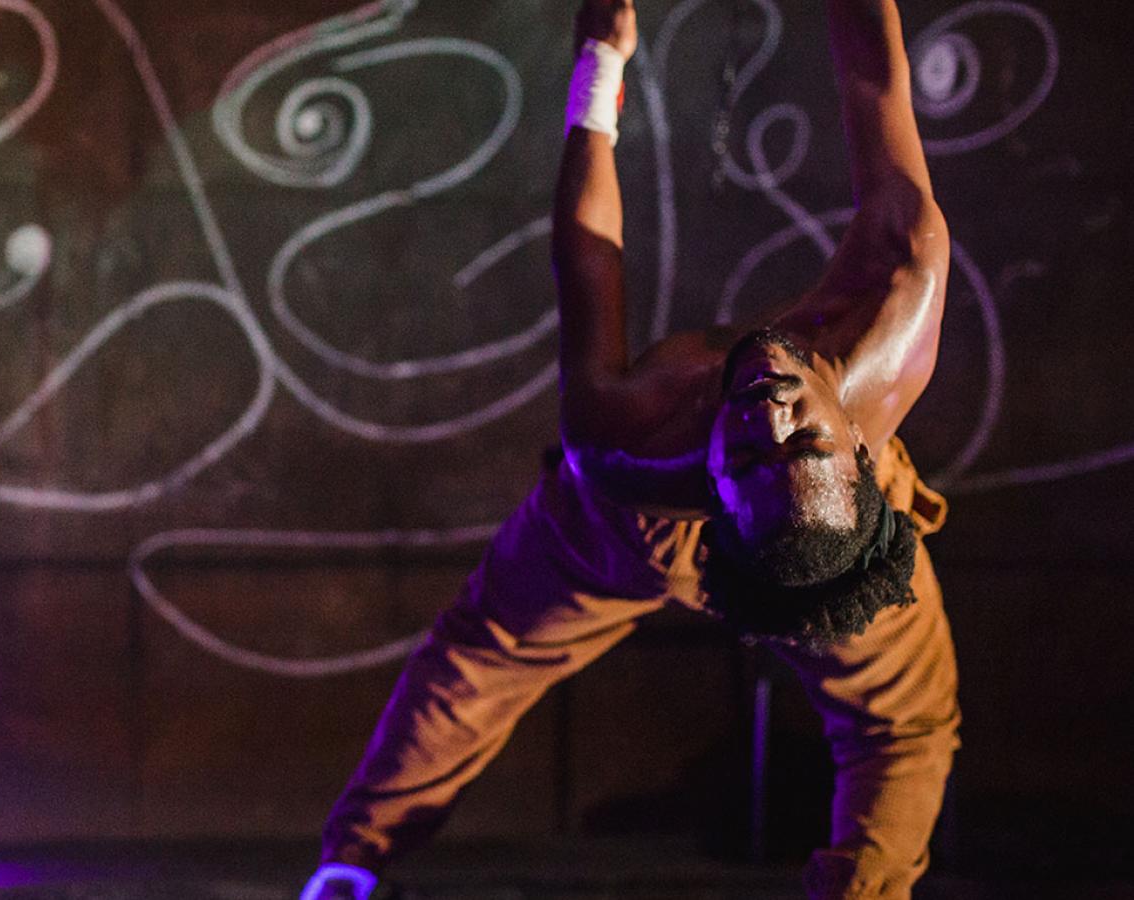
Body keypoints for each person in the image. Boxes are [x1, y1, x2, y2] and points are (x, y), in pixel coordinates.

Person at [302, 0, 958, 897]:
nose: (768, 412)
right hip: (739, 521)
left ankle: (349, 864)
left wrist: (598, 69)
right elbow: (876, 79)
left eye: (751, 453)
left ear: (718, 486)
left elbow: (587, 257)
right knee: (902, 713)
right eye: (803, 438)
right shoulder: (900, 290)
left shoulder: (622, 441)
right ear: (857, 444)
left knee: (490, 651)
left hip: (642, 524)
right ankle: (353, 863)